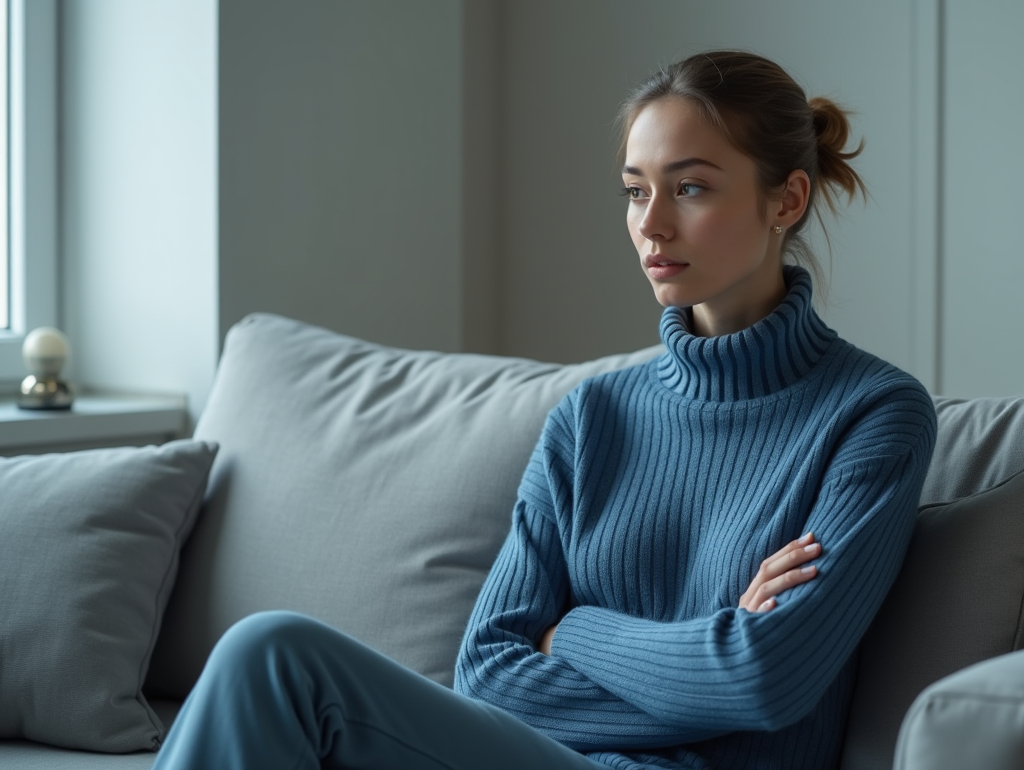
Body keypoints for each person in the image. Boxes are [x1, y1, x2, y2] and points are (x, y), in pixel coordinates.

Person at [152, 50, 936, 770]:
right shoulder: (593, 417)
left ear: (786, 200)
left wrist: (574, 631)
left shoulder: (872, 414)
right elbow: (488, 670)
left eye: (690, 187)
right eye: (635, 191)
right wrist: (706, 656)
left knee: (278, 655)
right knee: (268, 653)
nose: (651, 224)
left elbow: (765, 679)